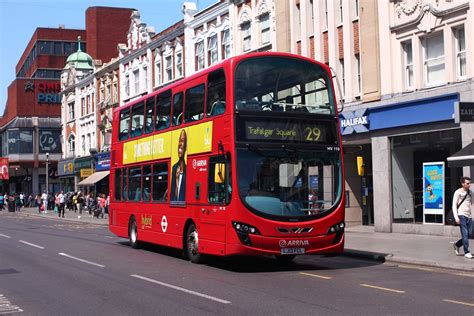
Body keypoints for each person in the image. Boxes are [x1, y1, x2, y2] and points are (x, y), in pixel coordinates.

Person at [452, 176, 473, 259]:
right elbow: (454, 205)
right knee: (465, 233)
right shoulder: (458, 192)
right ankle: (466, 252)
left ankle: (457, 245)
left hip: (469, 216)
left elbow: (472, 204)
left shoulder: (470, 192)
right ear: (462, 184)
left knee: (469, 234)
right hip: (461, 215)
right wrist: (456, 217)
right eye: (467, 183)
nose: (469, 185)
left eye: (469, 183)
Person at [170, 129, 187, 202]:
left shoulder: (188, 171)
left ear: (186, 147)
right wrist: (176, 180)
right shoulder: (174, 168)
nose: (180, 144)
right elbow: (173, 197)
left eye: (182, 141)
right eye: (179, 141)